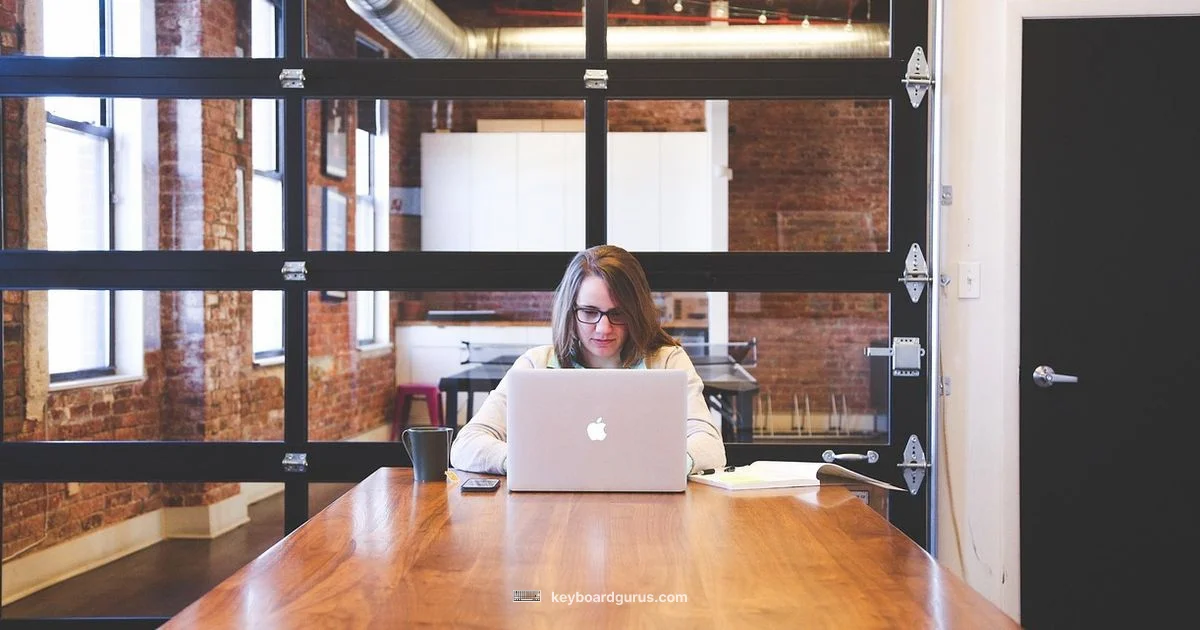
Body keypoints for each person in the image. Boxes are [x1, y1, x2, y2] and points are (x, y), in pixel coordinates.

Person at [449, 245, 727, 475]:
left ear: (636, 312)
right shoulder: (535, 365)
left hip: (646, 508)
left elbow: (711, 447)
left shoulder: (667, 362)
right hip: (552, 511)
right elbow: (466, 445)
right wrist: (522, 462)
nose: (604, 328)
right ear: (571, 311)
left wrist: (665, 466)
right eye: (590, 312)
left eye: (618, 314)